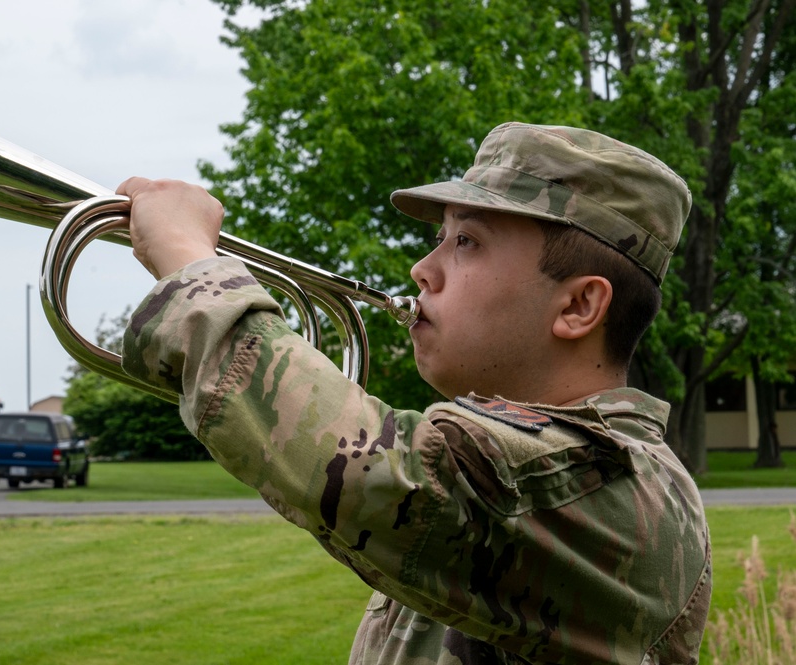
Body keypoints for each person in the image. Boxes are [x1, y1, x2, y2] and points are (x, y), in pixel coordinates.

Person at [116, 122, 712, 664]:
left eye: (467, 242)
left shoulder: (612, 479)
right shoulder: (505, 461)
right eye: (442, 238)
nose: (422, 269)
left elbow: (377, 474)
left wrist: (190, 261)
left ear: (579, 305)